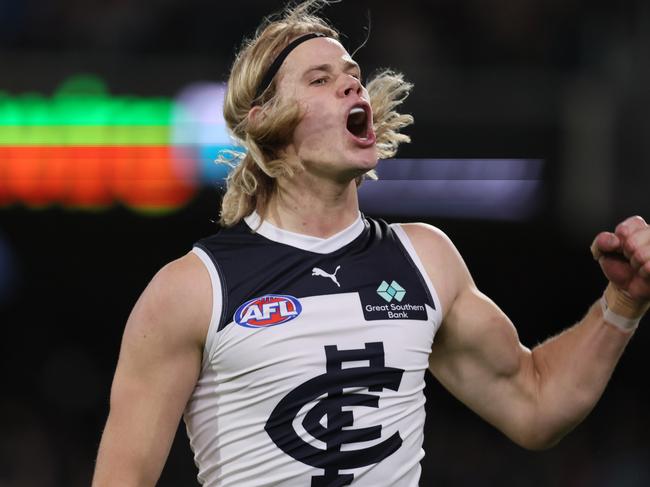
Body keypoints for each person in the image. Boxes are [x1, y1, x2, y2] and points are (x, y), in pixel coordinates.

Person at [92, 1, 650, 486]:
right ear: (268, 121)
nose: (352, 83)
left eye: (352, 74)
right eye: (319, 79)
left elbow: (536, 404)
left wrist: (622, 304)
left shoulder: (425, 259)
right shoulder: (191, 290)